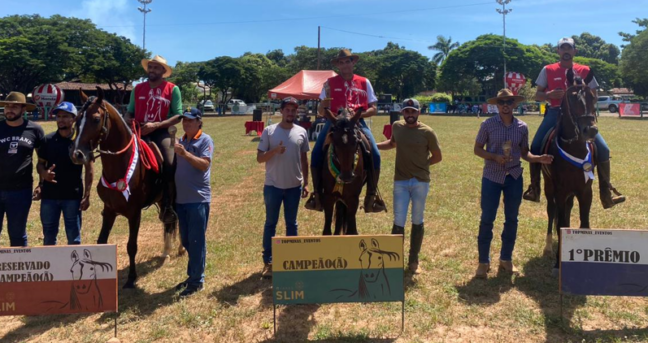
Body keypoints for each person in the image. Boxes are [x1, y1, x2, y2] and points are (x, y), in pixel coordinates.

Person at [524, 37, 625, 209]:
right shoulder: (547, 69)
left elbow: (594, 95)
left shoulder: (585, 70)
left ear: (574, 51)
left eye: (569, 48)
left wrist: (586, 106)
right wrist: (548, 95)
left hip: (580, 117)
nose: (566, 51)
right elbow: (537, 95)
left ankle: (606, 192)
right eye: (562, 48)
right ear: (558, 51)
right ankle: (534, 188)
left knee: (604, 149)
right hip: (555, 113)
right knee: (535, 146)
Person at [473, 89, 554, 279]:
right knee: (487, 219)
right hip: (492, 176)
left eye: (509, 102)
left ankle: (506, 259)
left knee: (512, 220)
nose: (505, 105)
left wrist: (539, 158)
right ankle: (483, 262)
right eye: (502, 102)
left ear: (514, 104)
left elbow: (525, 153)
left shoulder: (522, 127)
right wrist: (493, 156)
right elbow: (477, 149)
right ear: (497, 105)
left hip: (514, 177)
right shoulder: (488, 125)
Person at [305, 49, 385, 213]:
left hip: (357, 121)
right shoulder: (329, 83)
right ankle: (317, 195)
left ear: (353, 62)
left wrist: (356, 116)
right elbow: (321, 110)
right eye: (341, 62)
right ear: (338, 65)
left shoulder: (364, 82)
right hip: (334, 122)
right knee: (316, 152)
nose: (344, 65)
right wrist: (324, 105)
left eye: (347, 61)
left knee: (375, 153)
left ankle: (371, 196)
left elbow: (374, 108)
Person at [377, 99, 442, 274]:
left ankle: (414, 261)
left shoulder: (427, 132)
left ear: (418, 113)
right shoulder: (397, 127)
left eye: (413, 112)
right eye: (407, 112)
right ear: (403, 113)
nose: (410, 115)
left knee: (417, 219)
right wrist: (374, 146)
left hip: (420, 182)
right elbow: (392, 144)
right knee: (398, 220)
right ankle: (394, 260)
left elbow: (437, 156)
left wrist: (423, 165)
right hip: (401, 181)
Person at [125, 55, 183, 224]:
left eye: (156, 68)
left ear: (163, 71)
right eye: (150, 67)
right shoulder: (138, 89)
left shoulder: (172, 89)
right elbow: (130, 111)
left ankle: (168, 204)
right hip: (139, 130)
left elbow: (178, 115)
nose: (152, 70)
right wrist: (127, 118)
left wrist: (156, 125)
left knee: (170, 163)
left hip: (161, 132)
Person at [257, 97, 310, 279]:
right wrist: (274, 152)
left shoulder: (302, 132)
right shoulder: (270, 131)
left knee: (291, 224)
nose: (290, 113)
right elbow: (260, 158)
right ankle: (268, 262)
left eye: (293, 110)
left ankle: (291, 260)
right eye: (287, 109)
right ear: (281, 111)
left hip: (294, 186)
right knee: (270, 223)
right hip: (273, 186)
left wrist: (307, 183)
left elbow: (304, 159)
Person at [34, 102, 93, 245]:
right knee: (48, 235)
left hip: (72, 197)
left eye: (65, 116)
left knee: (74, 236)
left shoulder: (81, 141)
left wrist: (87, 195)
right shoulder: (47, 140)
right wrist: (44, 174)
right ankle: (50, 266)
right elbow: (40, 164)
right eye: (58, 116)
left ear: (74, 119)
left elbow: (89, 169)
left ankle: (73, 266)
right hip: (49, 196)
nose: (61, 120)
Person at [173, 107, 213, 297]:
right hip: (181, 200)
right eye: (184, 120)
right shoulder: (181, 141)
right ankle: (193, 276)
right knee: (187, 240)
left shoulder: (205, 140)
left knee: (197, 241)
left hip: (197, 199)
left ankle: (197, 281)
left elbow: (204, 164)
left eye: (190, 120)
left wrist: (185, 154)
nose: (186, 123)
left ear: (199, 121)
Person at [0, 92, 44, 246]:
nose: (9, 109)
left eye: (14, 106)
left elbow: (42, 160)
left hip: (21, 191)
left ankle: (18, 268)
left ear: (23, 109)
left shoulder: (35, 130)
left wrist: (41, 184)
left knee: (17, 234)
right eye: (7, 106)